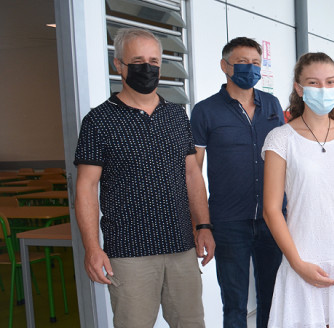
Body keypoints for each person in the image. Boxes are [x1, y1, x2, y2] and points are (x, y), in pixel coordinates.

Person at [74, 27, 215, 327]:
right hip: (129, 253)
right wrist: (92, 247)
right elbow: (86, 187)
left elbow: (192, 174)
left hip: (181, 246)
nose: (147, 68)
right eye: (138, 60)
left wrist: (203, 225)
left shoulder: (177, 116)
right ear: (119, 65)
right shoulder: (98, 121)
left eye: (154, 61)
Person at [261, 52, 334, 327]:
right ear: (299, 88)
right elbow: (271, 210)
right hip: (302, 259)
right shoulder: (280, 139)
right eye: (314, 83)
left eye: (330, 82)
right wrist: (296, 262)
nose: (323, 89)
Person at [189, 37, 284, 328]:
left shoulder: (272, 105)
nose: (250, 68)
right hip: (229, 222)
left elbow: (285, 160)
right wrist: (200, 225)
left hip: (271, 218)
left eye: (256, 63)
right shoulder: (206, 111)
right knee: (234, 304)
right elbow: (193, 172)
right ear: (225, 66)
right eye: (242, 62)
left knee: (273, 299)